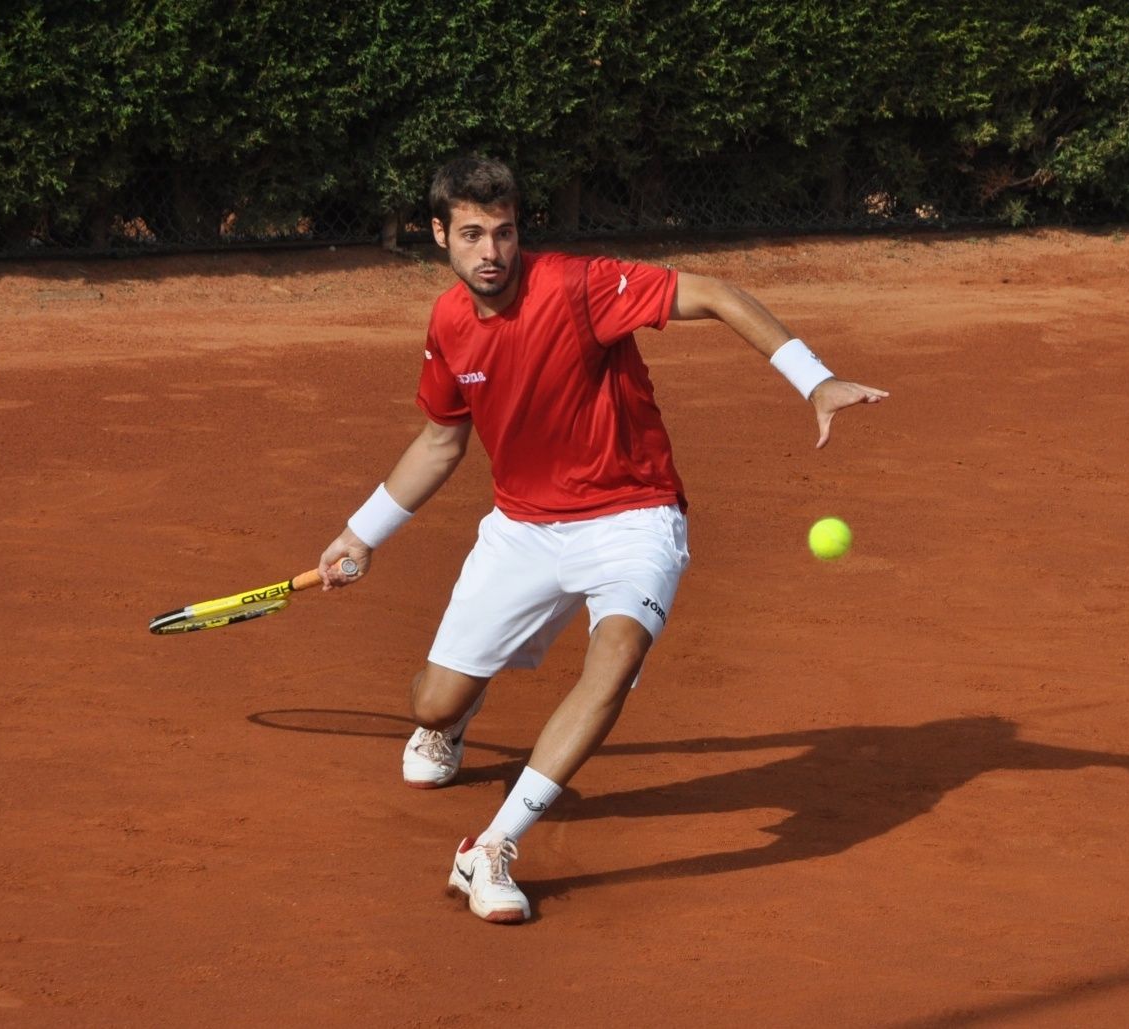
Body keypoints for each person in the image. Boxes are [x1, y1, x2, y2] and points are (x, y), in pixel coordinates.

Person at [314, 155, 887, 923]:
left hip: (633, 516)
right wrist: (362, 533)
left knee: (614, 660)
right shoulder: (449, 323)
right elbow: (441, 442)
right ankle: (453, 720)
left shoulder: (579, 287)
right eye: (473, 234)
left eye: (504, 232)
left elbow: (715, 293)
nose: (492, 251)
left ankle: (492, 846)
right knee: (432, 702)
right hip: (522, 530)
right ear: (440, 235)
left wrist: (814, 379)